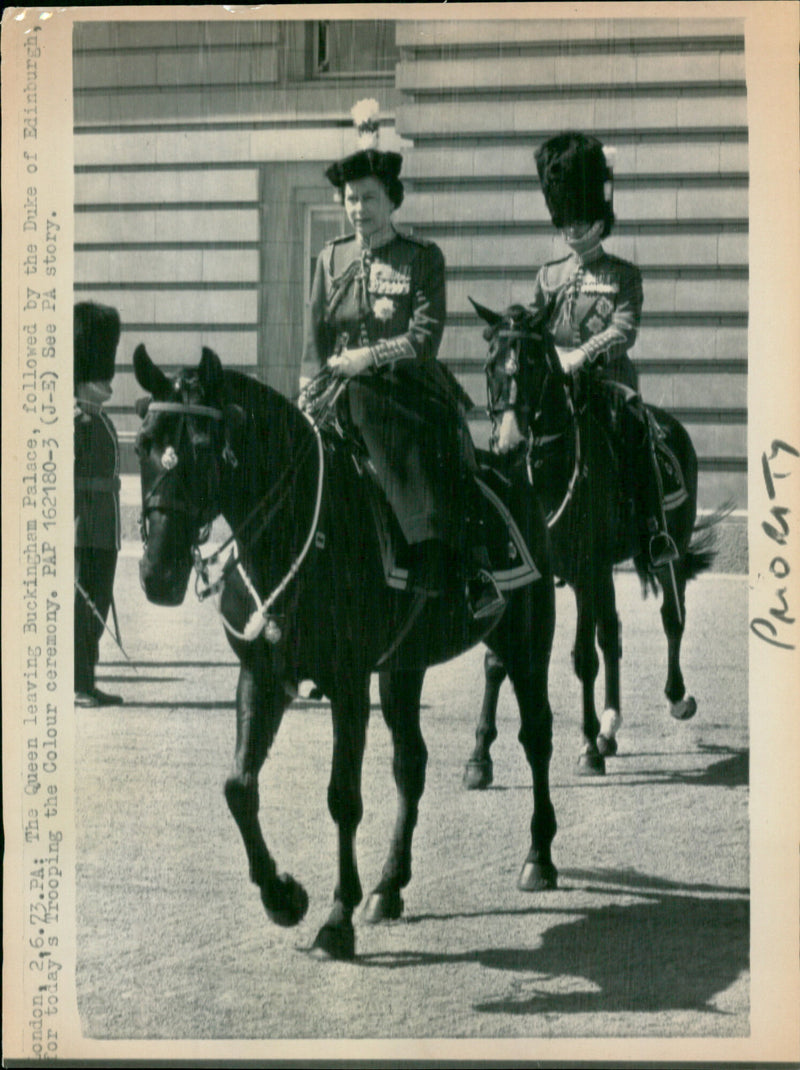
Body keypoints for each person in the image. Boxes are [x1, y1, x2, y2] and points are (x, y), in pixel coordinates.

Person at [301, 99, 504, 619]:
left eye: (369, 198)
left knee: (442, 454)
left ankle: (465, 565)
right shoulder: (330, 258)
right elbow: (315, 340)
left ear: (391, 201)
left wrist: (367, 358)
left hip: (407, 388)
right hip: (335, 390)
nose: (358, 209)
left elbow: (424, 337)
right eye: (350, 199)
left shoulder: (421, 258)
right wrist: (307, 391)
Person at [530, 131, 679, 568]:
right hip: (558, 386)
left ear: (600, 218)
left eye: (582, 217)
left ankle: (654, 530)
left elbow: (624, 329)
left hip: (609, 383)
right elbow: (536, 329)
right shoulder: (548, 275)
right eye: (567, 218)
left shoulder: (623, 274)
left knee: (637, 436)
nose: (573, 227)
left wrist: (582, 354)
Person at [74, 301, 124, 707]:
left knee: (98, 603)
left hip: (103, 524)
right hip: (83, 525)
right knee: (82, 605)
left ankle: (87, 678)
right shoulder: (74, 419)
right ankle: (77, 683)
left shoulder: (100, 417)